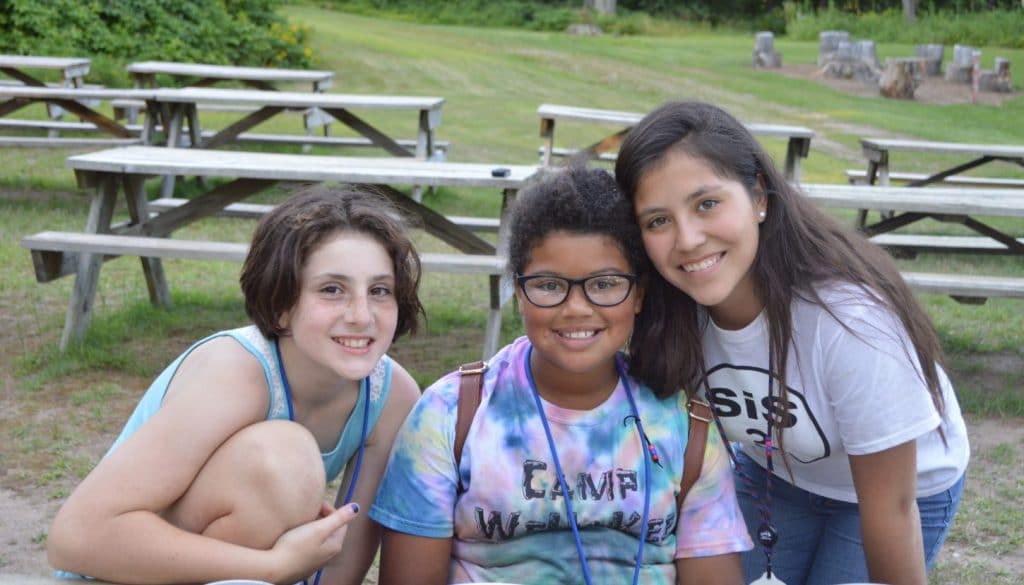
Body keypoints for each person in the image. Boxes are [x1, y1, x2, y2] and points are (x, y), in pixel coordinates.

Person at [614, 100, 970, 585]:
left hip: (899, 490)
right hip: (775, 479)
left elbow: (892, 508)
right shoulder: (666, 308)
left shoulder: (850, 321)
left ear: (758, 196)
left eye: (707, 204)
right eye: (658, 221)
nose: (688, 238)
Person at [369, 166, 752, 585]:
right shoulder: (450, 414)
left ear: (638, 294)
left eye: (604, 284)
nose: (576, 308)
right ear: (519, 291)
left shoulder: (684, 426)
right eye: (550, 285)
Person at [47, 185, 424, 585]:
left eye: (380, 290)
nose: (361, 315)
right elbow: (75, 538)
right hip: (116, 573)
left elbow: (339, 567)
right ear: (281, 303)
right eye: (332, 289)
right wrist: (273, 568)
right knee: (284, 460)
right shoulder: (235, 372)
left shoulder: (392, 396)